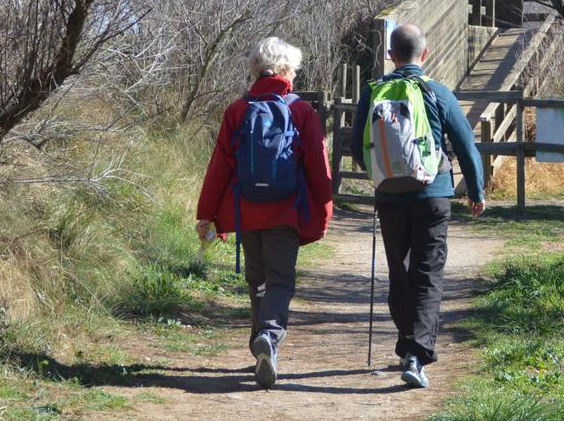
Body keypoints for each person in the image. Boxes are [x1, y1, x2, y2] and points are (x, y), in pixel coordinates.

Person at [351, 23, 485, 389]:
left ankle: (409, 342)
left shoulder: (373, 92)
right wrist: (476, 191)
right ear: (425, 55)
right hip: (433, 197)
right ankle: (416, 353)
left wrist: (383, 175)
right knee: (427, 275)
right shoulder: (437, 92)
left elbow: (356, 148)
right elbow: (467, 146)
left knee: (399, 272)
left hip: (389, 198)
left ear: (391, 56)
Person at [196, 36, 333, 389]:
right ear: (287, 71)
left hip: (246, 214)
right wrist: (325, 205)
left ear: (256, 69)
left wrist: (207, 213)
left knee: (256, 282)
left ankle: (261, 345)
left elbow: (220, 167)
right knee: (281, 281)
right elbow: (318, 169)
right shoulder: (301, 111)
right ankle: (269, 339)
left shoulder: (237, 111)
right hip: (286, 213)